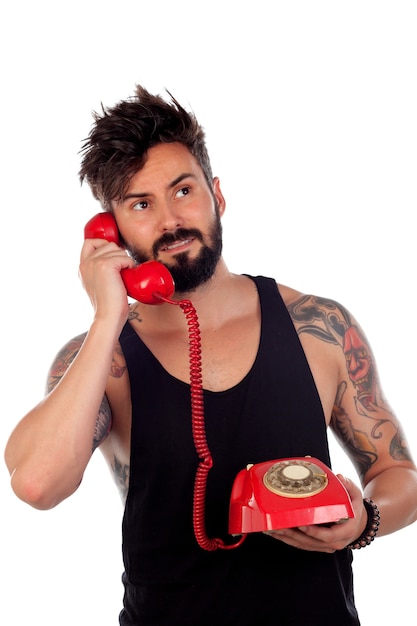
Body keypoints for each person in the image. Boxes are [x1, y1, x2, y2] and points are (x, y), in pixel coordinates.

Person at [4, 85, 417, 626]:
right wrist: (108, 316)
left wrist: (366, 519)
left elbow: (396, 472)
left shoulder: (318, 326)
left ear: (216, 195)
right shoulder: (102, 360)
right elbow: (36, 484)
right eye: (140, 204)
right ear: (111, 231)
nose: (171, 221)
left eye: (183, 191)